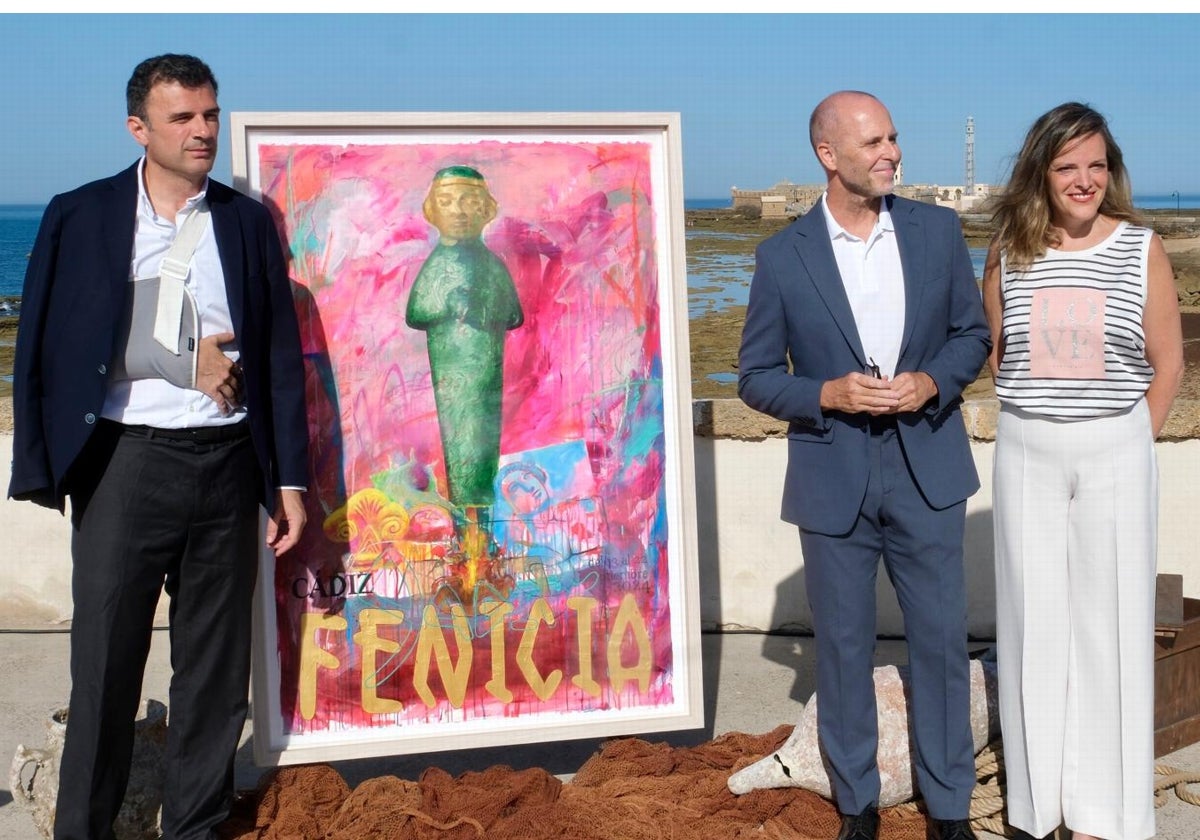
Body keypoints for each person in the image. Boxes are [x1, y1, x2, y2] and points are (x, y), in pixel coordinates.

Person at [8, 54, 309, 840]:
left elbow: (278, 354)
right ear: (139, 128)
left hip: (228, 465)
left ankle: (197, 829)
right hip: (123, 465)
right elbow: (53, 336)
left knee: (215, 680)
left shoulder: (246, 221)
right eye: (183, 118)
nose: (203, 130)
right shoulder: (81, 214)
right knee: (105, 670)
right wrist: (178, 352)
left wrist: (289, 482)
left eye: (210, 114)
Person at [738, 90, 990, 840]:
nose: (893, 153)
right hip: (831, 473)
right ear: (829, 156)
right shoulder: (781, 257)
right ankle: (857, 809)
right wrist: (827, 392)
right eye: (874, 142)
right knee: (843, 652)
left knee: (941, 644)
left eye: (894, 138)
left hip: (928, 468)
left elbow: (972, 336)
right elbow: (754, 376)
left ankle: (949, 812)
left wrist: (931, 381)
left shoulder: (938, 232)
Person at [983, 103, 1182, 840]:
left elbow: (1169, 365)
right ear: (1042, 172)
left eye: (1096, 164)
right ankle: (1037, 814)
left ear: (1111, 169)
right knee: (1033, 630)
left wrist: (1125, 441)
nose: (1085, 179)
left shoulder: (1142, 249)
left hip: (1115, 454)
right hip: (1029, 451)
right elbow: (1000, 355)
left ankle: (1107, 817)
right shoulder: (1008, 250)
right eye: (1068, 165)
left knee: (1114, 630)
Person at [406, 166, 523, 519]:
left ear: (486, 209)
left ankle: (480, 514)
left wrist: (484, 305)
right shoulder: (437, 265)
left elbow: (514, 315)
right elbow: (417, 311)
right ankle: (464, 516)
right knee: (459, 444)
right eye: (447, 201)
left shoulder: (493, 266)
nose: (458, 211)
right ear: (432, 211)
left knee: (484, 442)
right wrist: (450, 302)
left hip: (486, 372)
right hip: (452, 377)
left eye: (469, 202)